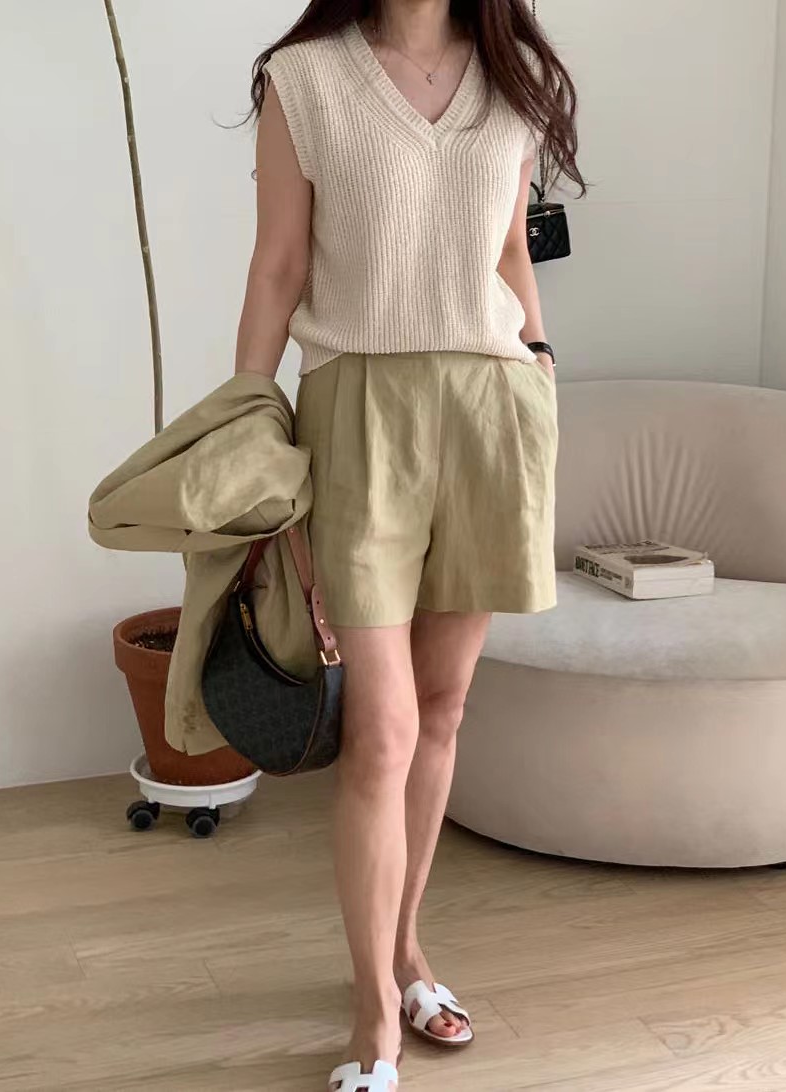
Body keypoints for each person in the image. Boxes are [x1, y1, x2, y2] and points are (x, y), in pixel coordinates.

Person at [236, 2, 586, 1088]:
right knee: (380, 731)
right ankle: (371, 1012)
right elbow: (278, 266)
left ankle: (405, 949)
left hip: (491, 411)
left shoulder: (511, 80)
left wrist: (540, 364)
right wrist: (245, 428)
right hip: (358, 413)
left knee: (440, 709)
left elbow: (510, 253)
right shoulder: (306, 79)